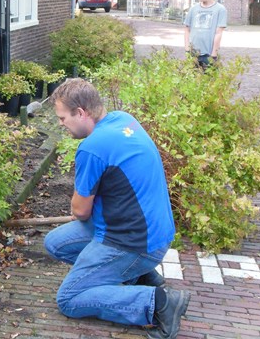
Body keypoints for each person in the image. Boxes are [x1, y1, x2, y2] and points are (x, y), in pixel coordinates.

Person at [44, 78, 190, 339]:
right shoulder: (124, 119)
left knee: (70, 298)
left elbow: (80, 211)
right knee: (56, 242)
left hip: (133, 242)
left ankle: (159, 303)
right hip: (152, 231)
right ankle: (142, 276)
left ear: (81, 112)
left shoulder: (93, 147)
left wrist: (83, 200)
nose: (60, 124)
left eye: (63, 118)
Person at [183, 0, 227, 69]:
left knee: (209, 82)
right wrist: (187, 49)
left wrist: (214, 54)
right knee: (191, 82)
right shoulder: (193, 9)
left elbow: (218, 33)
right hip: (193, 54)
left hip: (208, 55)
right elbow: (186, 29)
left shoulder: (220, 9)